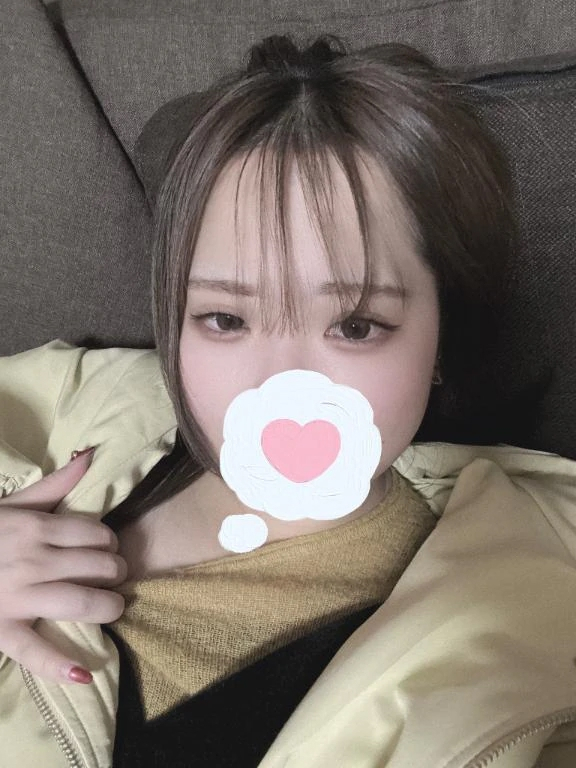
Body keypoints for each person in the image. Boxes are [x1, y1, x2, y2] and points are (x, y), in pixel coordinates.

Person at [0, 34, 575, 768]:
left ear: (443, 337)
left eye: (355, 325)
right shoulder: (83, 406)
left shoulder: (526, 619)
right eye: (225, 320)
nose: (280, 385)